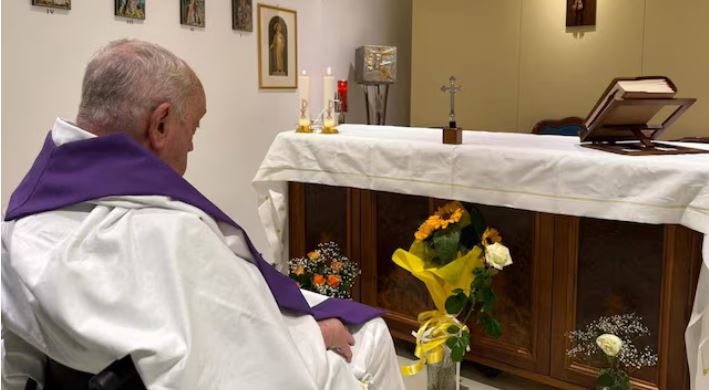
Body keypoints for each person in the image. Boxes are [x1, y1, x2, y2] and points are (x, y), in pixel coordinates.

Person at [1, 39, 405, 389]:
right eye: (193, 127)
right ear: (159, 125)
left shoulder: (25, 216)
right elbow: (244, 355)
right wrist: (314, 334)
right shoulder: (171, 233)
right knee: (371, 334)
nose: (192, 147)